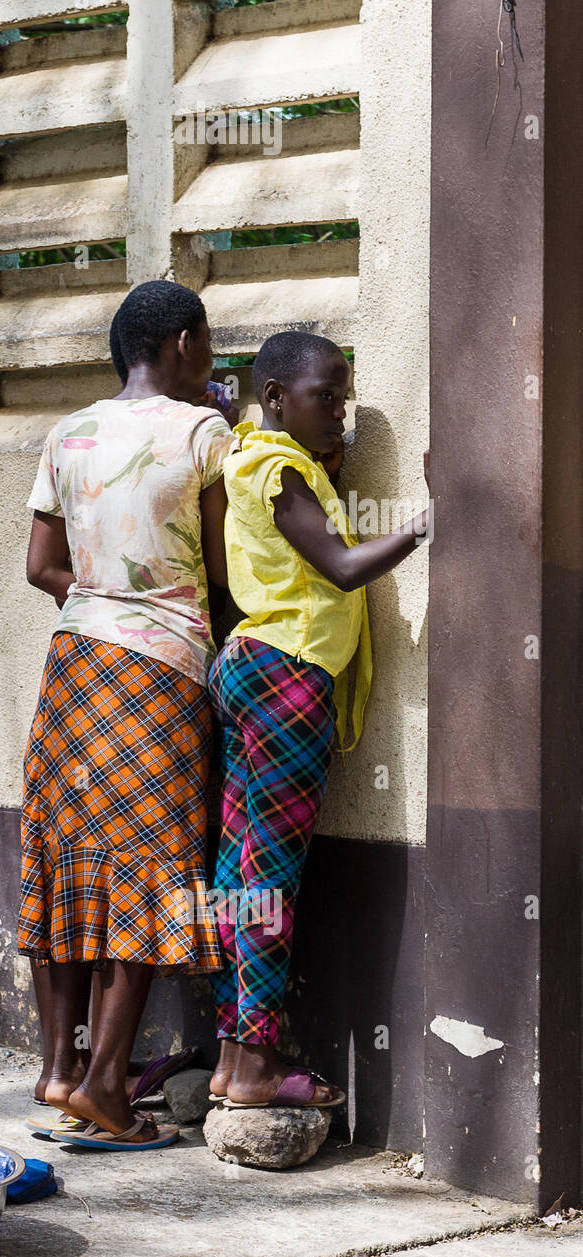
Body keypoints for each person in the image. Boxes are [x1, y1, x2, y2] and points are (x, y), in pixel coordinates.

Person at [20, 280, 235, 1152]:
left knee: (67, 859)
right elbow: (226, 575)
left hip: (73, 666)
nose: (213, 359)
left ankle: (59, 1071)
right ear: (183, 342)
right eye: (209, 343)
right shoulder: (205, 433)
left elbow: (41, 566)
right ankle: (109, 1087)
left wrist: (107, 599)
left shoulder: (67, 431)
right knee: (151, 871)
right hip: (160, 676)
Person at [206, 330, 428, 1109]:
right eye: (325, 397)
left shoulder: (253, 455)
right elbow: (339, 566)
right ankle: (261, 1062)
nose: (341, 412)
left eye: (346, 398)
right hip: (288, 676)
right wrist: (427, 523)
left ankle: (234, 1059)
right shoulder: (278, 468)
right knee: (270, 876)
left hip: (249, 667)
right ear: (274, 397)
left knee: (239, 874)